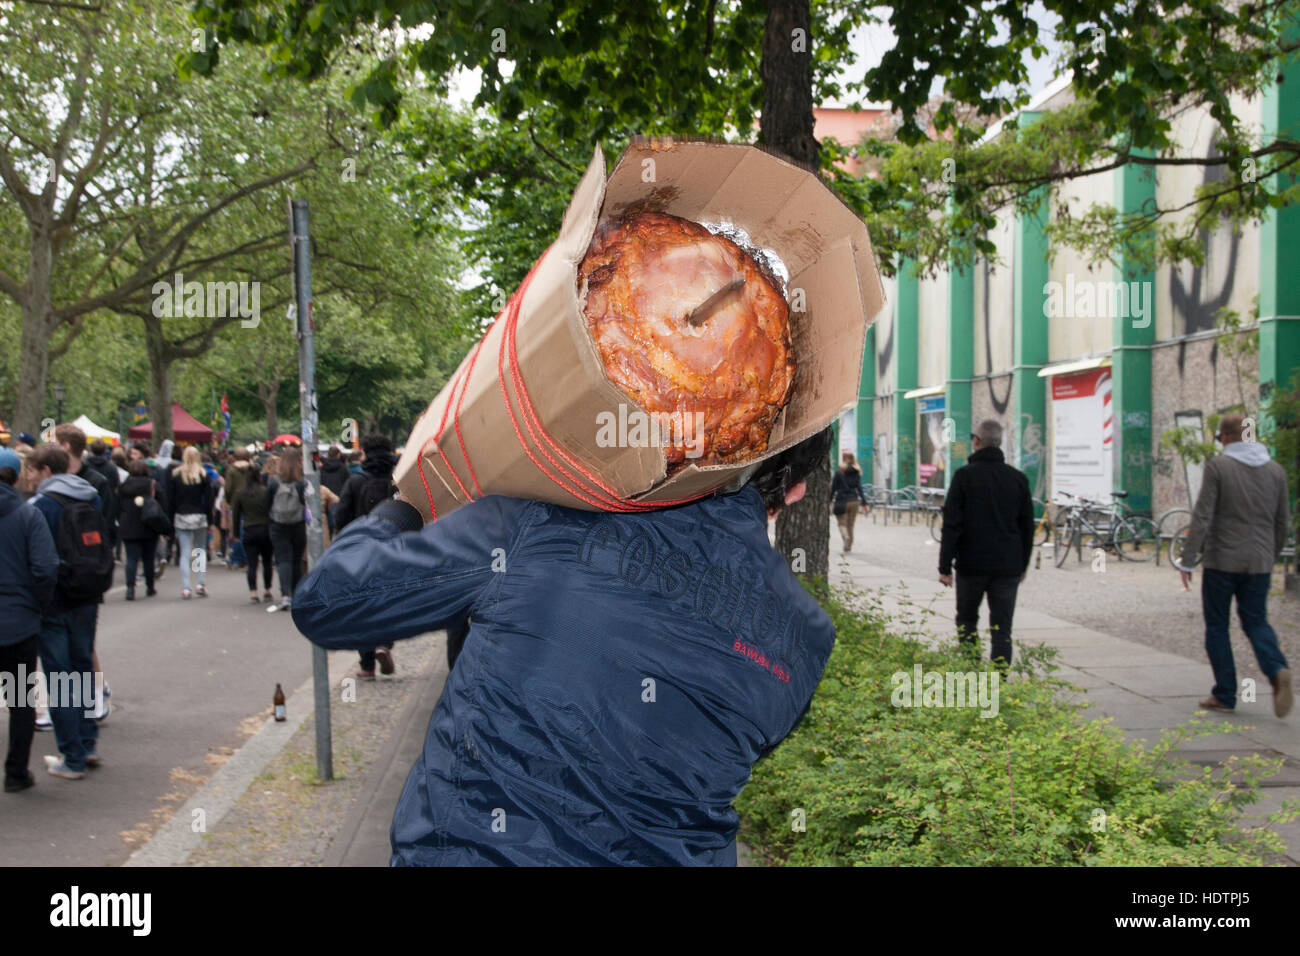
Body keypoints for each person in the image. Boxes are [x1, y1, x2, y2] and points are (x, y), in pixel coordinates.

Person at [291, 429, 837, 866]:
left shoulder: (538, 518)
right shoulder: (809, 638)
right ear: (795, 491)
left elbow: (329, 602)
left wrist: (404, 505)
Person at [1179, 413, 1292, 717]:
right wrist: (1271, 555)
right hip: (1259, 562)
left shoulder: (1219, 467)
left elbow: (1203, 516)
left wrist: (1188, 560)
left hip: (1222, 561)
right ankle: (1276, 668)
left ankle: (1225, 694)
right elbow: (1283, 522)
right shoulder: (1276, 471)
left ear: (1227, 437)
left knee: (1217, 626)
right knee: (1256, 621)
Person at [27, 443, 111, 780]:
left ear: (46, 471)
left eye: (32, 471)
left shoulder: (41, 505)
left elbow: (36, 559)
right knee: (82, 671)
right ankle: (88, 744)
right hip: (88, 595)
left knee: (59, 677)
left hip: (55, 601)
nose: (29, 477)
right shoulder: (91, 497)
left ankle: (72, 756)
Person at [937, 419, 1033, 668]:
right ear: (999, 443)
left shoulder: (964, 477)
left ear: (977, 442)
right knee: (1002, 627)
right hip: (1007, 566)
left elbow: (951, 524)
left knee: (967, 619)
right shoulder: (1018, 479)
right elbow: (1027, 528)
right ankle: (999, 680)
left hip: (972, 564)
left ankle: (970, 668)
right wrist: (1023, 564)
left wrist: (945, 567)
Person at [0, 448, 59, 792]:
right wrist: (36, 604)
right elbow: (46, 568)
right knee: (20, 701)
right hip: (19, 624)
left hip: (20, 616)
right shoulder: (27, 515)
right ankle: (15, 773)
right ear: (18, 476)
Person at [334, 434, 400, 677]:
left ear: (364, 453)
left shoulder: (355, 482)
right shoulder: (399, 481)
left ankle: (367, 665)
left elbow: (341, 515)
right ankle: (385, 643)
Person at [168, 446, 214, 599]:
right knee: (199, 550)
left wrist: (170, 519)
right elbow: (209, 501)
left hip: (181, 515)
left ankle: (186, 586)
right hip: (199, 516)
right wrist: (210, 520)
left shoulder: (176, 475)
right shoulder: (203, 475)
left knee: (185, 552)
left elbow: (171, 500)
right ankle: (200, 582)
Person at [266, 447, 307, 613]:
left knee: (283, 560)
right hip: (298, 524)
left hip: (278, 524)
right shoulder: (302, 483)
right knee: (296, 560)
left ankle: (285, 595)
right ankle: (296, 594)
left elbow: (267, 503)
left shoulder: (274, 482)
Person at [117, 459, 161, 600]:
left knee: (131, 559)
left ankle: (130, 588)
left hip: (128, 525)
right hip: (149, 525)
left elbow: (117, 506)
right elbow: (161, 504)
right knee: (148, 558)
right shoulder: (152, 485)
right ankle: (150, 586)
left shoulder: (124, 486)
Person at [232, 465, 276, 603]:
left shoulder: (240, 493)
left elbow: (236, 515)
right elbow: (271, 510)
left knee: (252, 564)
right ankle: (267, 590)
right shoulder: (265, 491)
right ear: (259, 476)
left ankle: (253, 593)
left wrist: (235, 534)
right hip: (265, 529)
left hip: (249, 530)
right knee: (267, 561)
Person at [830, 451, 868, 552]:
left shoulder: (839, 472)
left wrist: (829, 500)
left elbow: (833, 488)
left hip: (842, 501)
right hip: (854, 501)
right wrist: (865, 503)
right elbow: (860, 488)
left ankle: (845, 537)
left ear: (843, 458)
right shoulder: (857, 472)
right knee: (850, 525)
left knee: (842, 523)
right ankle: (849, 546)